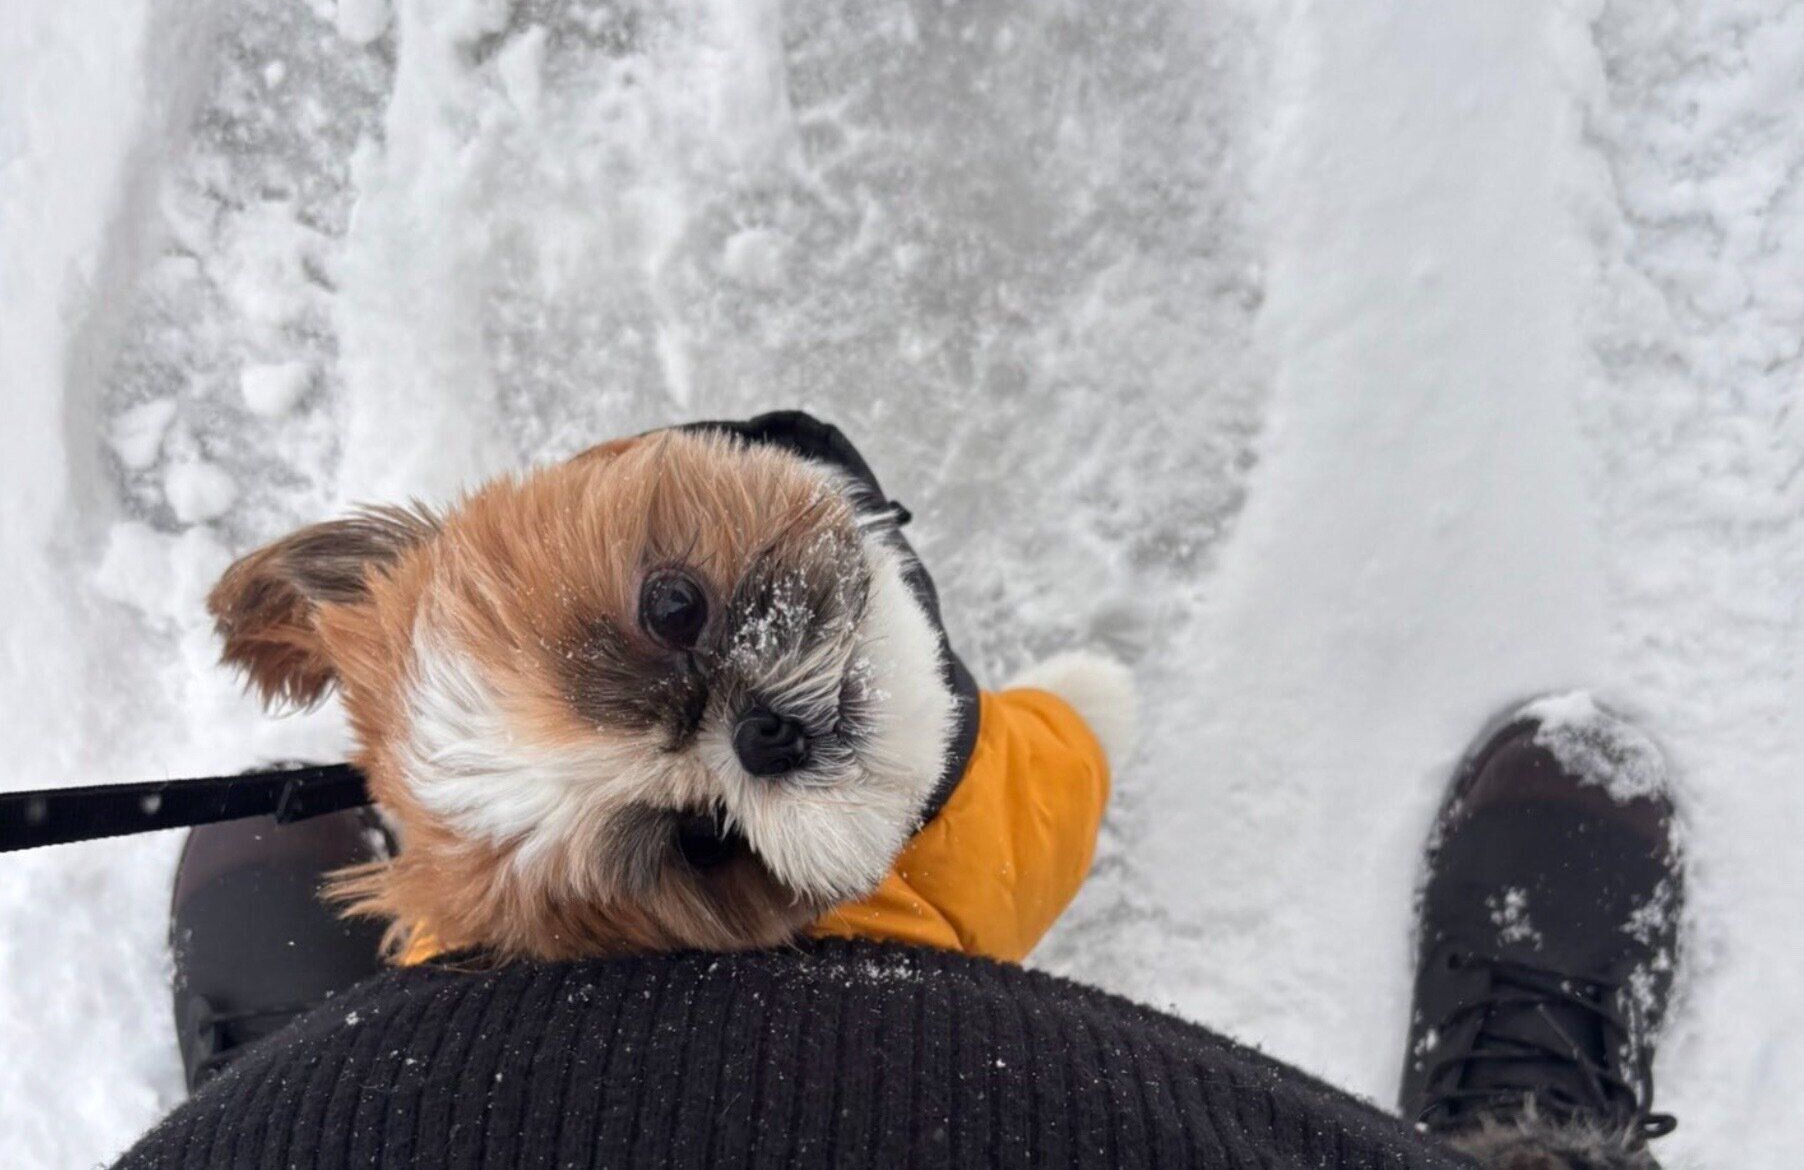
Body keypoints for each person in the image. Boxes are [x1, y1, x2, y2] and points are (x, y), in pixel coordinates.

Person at [114, 417, 1684, 1168]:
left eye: (674, 615)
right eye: (702, 830)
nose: (760, 744)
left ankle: (313, 1073)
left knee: (351, 1110)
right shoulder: (926, 869)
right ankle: (1529, 1142)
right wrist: (1070, 726)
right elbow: (1045, 775)